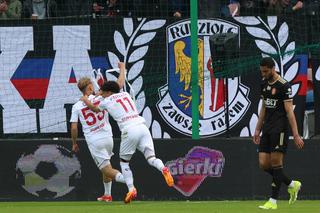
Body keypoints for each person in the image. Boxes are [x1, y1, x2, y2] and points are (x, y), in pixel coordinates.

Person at [81, 81, 174, 204]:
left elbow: (94, 108)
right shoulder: (125, 94)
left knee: (124, 163)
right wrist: (122, 68)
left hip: (129, 130)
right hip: (142, 126)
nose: (101, 93)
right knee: (151, 158)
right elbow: (117, 85)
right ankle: (163, 169)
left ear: (108, 92)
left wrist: (85, 99)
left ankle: (131, 189)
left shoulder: (106, 101)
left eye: (103, 91)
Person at [70, 62, 126, 202]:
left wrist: (74, 143)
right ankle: (107, 195)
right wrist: (122, 69)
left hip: (95, 141)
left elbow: (74, 128)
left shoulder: (77, 106)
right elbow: (118, 85)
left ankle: (129, 182)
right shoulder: (100, 97)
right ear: (90, 87)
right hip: (108, 138)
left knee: (106, 169)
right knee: (107, 166)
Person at [253, 57, 304, 210]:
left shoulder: (284, 86)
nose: (263, 74)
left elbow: (289, 112)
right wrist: (257, 128)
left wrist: (296, 134)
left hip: (279, 129)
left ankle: (273, 201)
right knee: (263, 164)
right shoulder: (263, 83)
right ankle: (292, 184)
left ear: (273, 68)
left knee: (276, 164)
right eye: (262, 71)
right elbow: (263, 108)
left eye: (266, 71)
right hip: (267, 128)